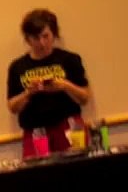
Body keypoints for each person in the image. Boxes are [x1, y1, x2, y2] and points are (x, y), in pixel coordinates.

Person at [6, 8, 93, 158]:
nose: (42, 43)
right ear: (27, 39)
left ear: (54, 34)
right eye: (36, 38)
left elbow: (85, 97)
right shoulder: (17, 67)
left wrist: (65, 85)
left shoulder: (70, 60)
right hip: (35, 129)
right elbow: (12, 106)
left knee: (79, 165)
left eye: (46, 36)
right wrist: (28, 93)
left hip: (71, 125)